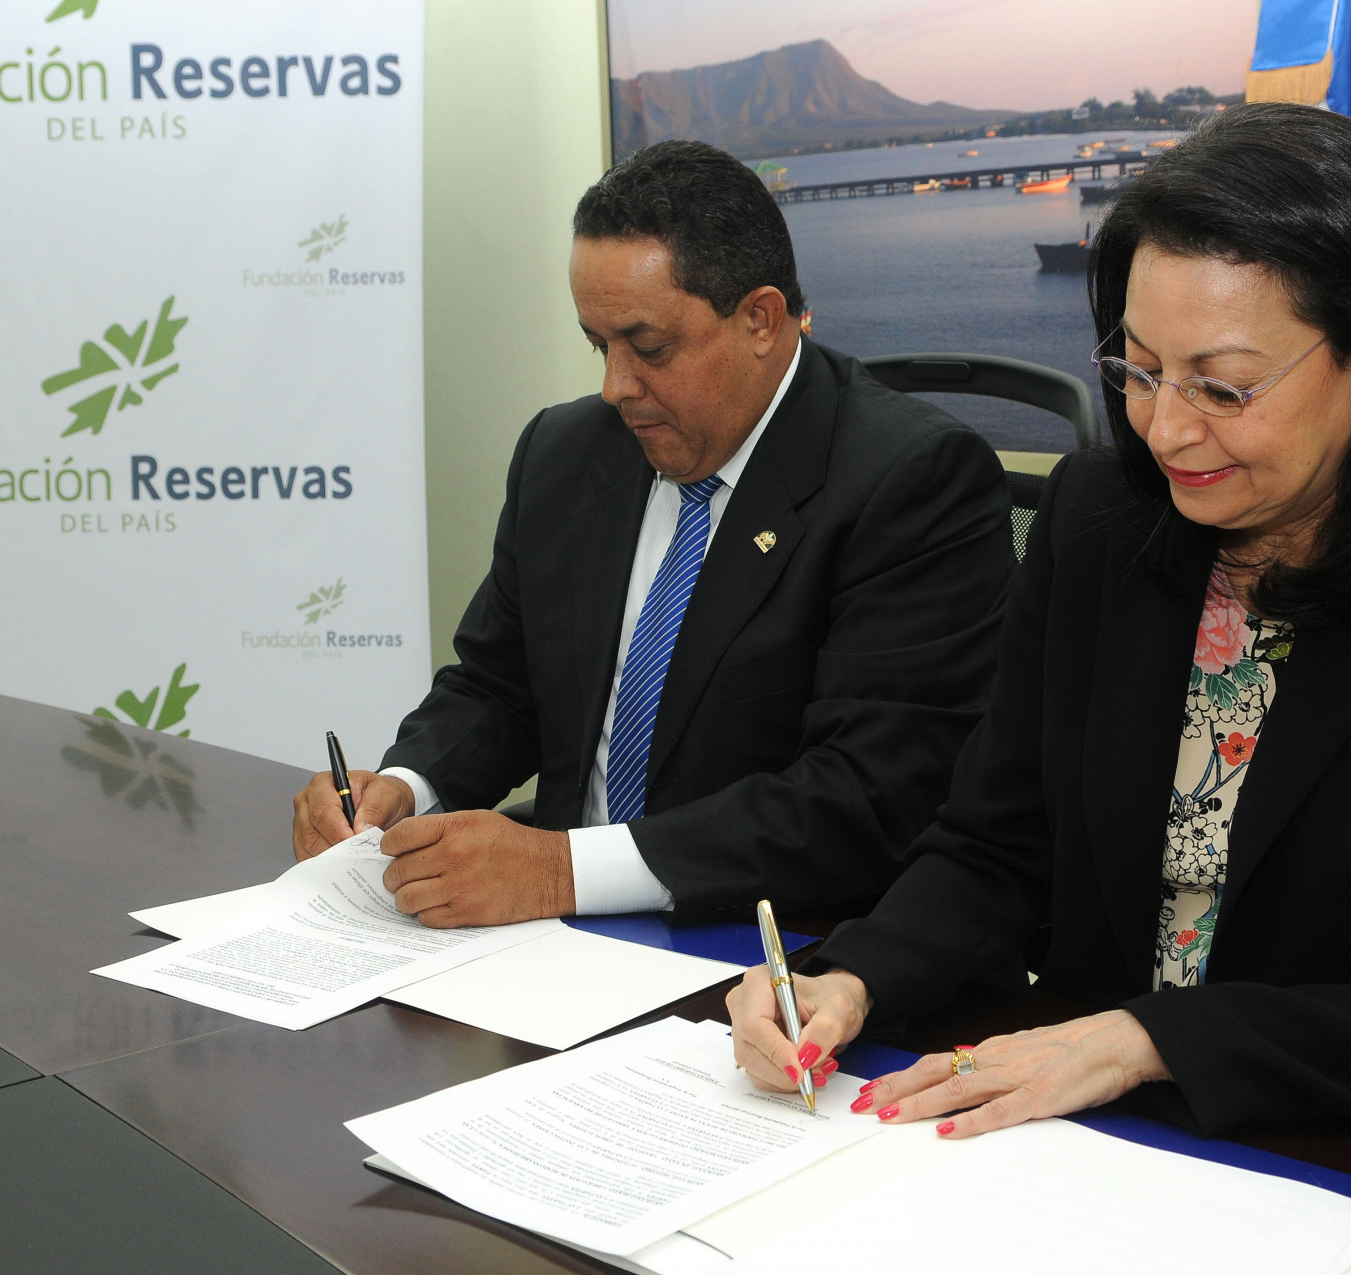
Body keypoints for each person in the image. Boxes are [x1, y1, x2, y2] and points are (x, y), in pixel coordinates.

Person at [729, 102, 1351, 1138]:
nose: (1166, 431)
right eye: (1140, 371)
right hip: (1091, 1135)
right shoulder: (1099, 519)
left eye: (1222, 387)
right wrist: (850, 977)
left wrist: (1146, 1040)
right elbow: (997, 845)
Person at [292, 140, 1015, 927]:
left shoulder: (911, 480)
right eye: (597, 346)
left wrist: (561, 871)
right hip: (548, 942)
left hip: (782, 949)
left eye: (650, 349)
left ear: (761, 319)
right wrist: (404, 788)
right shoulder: (565, 453)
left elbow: (865, 797)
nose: (615, 387)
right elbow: (499, 685)